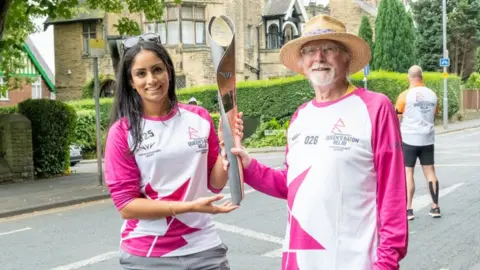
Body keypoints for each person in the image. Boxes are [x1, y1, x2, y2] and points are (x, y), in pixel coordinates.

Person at [223, 15, 408, 270]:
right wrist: (249, 166)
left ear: (346, 58)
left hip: (355, 262)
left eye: (329, 48)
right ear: (302, 62)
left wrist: (386, 262)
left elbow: (393, 192)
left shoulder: (376, 107)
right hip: (300, 261)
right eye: (310, 50)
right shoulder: (301, 116)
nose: (319, 57)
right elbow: (291, 185)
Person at [104, 33, 243, 270]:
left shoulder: (199, 118)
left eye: (157, 69)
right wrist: (188, 207)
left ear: (169, 71)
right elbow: (127, 206)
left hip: (203, 247)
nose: (151, 79)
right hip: (148, 254)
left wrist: (226, 144)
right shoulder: (122, 131)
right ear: (131, 81)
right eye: (141, 73)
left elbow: (215, 183)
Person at [395, 65, 441, 220]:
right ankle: (435, 207)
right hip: (427, 139)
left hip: (409, 139)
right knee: (430, 172)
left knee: (408, 172)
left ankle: (408, 210)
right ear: (422, 78)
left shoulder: (404, 95)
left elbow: (397, 118)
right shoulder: (433, 95)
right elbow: (435, 115)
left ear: (409, 78)